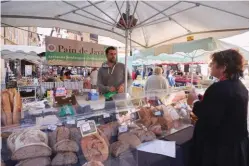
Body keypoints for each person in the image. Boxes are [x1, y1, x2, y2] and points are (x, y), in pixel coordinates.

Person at [187, 49, 249, 166]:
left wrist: (194, 101)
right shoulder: (239, 87)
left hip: (220, 149)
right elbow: (220, 107)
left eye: (213, 63)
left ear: (223, 67)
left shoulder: (219, 88)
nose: (210, 66)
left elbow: (207, 116)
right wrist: (201, 98)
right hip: (235, 145)